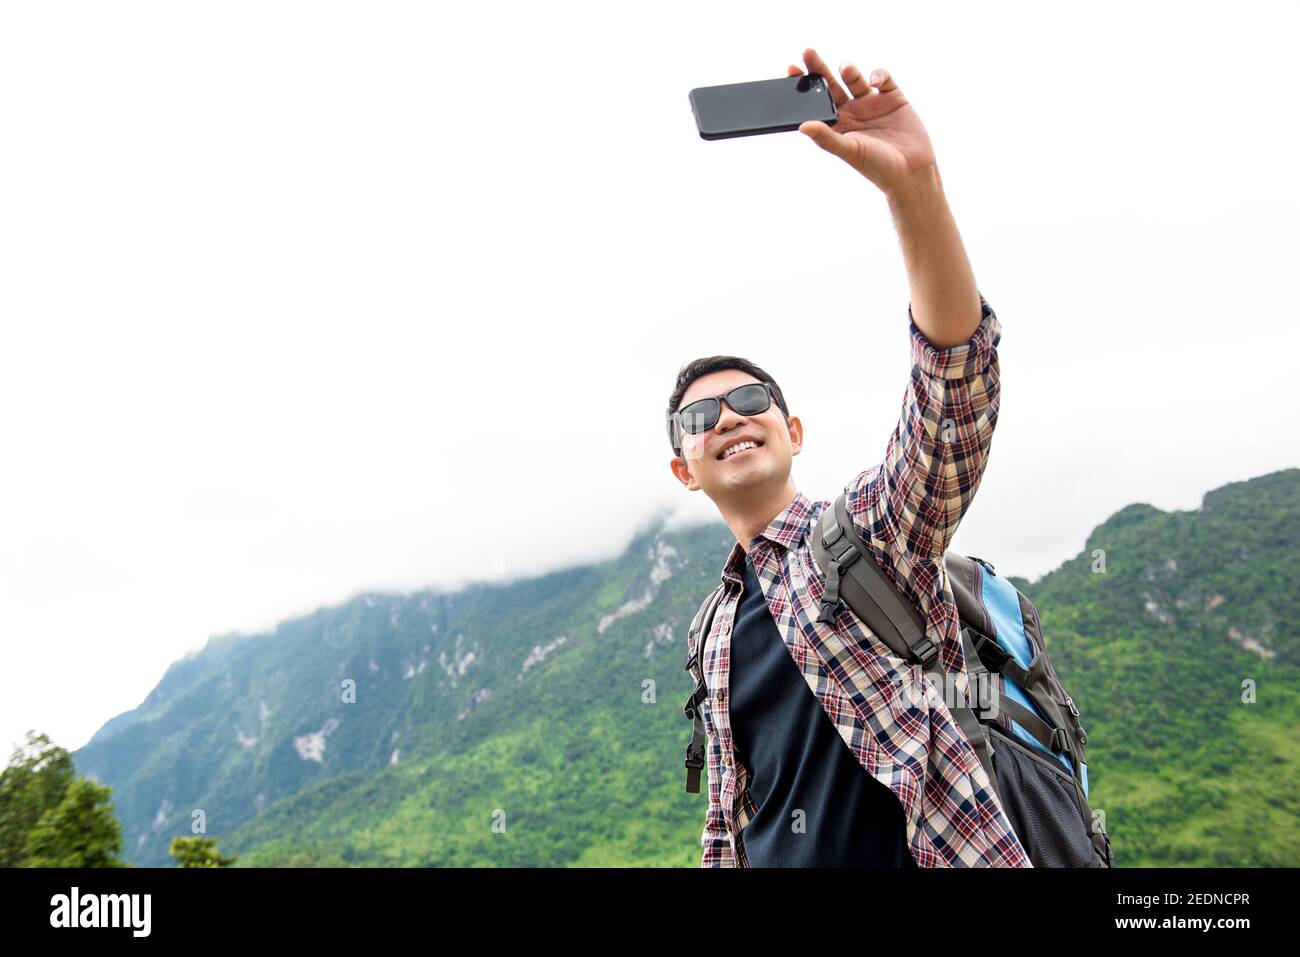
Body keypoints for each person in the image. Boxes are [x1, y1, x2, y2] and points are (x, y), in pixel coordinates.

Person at [666, 48, 1030, 868]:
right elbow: (729, 815)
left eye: (752, 399)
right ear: (685, 469)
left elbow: (951, 399)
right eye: (700, 415)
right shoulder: (713, 628)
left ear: (794, 431)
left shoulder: (863, 538)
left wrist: (915, 189)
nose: (729, 414)